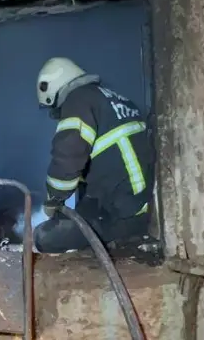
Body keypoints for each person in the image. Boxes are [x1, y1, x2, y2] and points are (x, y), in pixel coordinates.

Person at [33, 57, 155, 254]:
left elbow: (67, 157)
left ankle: (114, 243)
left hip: (125, 215)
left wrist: (52, 200)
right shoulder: (111, 98)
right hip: (136, 203)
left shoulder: (78, 100)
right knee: (79, 208)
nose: (58, 113)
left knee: (43, 237)